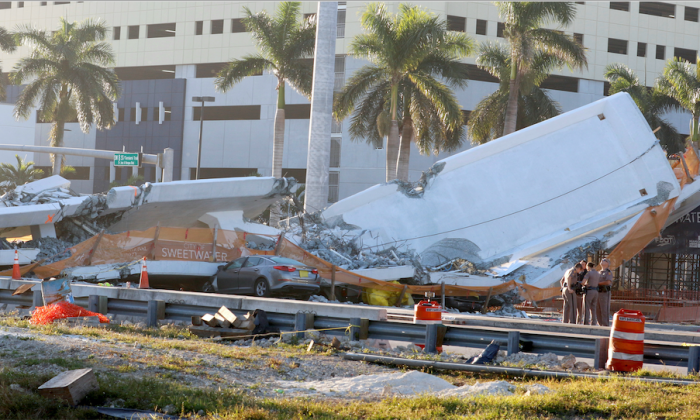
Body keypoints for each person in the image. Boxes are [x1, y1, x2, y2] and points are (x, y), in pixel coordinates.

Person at [597, 258, 613, 326]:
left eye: (605, 260)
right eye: (602, 260)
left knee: (604, 309)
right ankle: (600, 324)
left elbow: (608, 282)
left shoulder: (608, 272)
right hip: (597, 292)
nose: (602, 261)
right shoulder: (598, 272)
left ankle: (605, 324)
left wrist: (598, 283)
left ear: (608, 263)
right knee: (597, 309)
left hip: (604, 292)